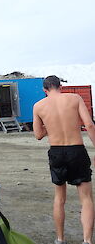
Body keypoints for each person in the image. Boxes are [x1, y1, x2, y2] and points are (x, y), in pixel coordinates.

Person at [33, 75, 95, 244]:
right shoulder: (74, 98)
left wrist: (50, 124)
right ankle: (87, 240)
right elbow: (89, 125)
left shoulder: (38, 106)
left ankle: (60, 239)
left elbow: (38, 135)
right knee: (86, 198)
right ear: (60, 86)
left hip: (56, 152)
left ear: (45, 90)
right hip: (76, 150)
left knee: (59, 198)